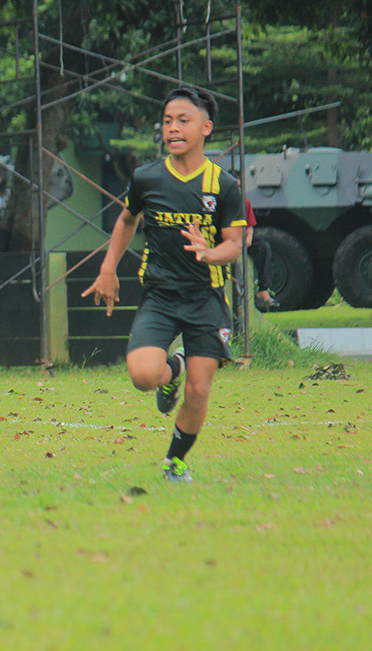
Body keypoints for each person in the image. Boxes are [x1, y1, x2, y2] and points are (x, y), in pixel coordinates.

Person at [81, 86, 246, 483]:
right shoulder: (147, 177)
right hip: (159, 297)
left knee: (200, 390)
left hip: (206, 298)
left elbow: (235, 245)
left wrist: (210, 253)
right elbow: (126, 221)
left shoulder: (224, 186)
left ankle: (175, 462)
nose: (173, 128)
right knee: (141, 375)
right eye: (168, 121)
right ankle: (175, 367)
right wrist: (108, 269)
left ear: (206, 128)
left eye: (183, 121)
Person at [244, 196, 279, 312]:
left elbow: (249, 226)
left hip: (240, 236)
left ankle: (263, 290)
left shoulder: (244, 202)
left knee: (263, 247)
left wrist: (248, 238)